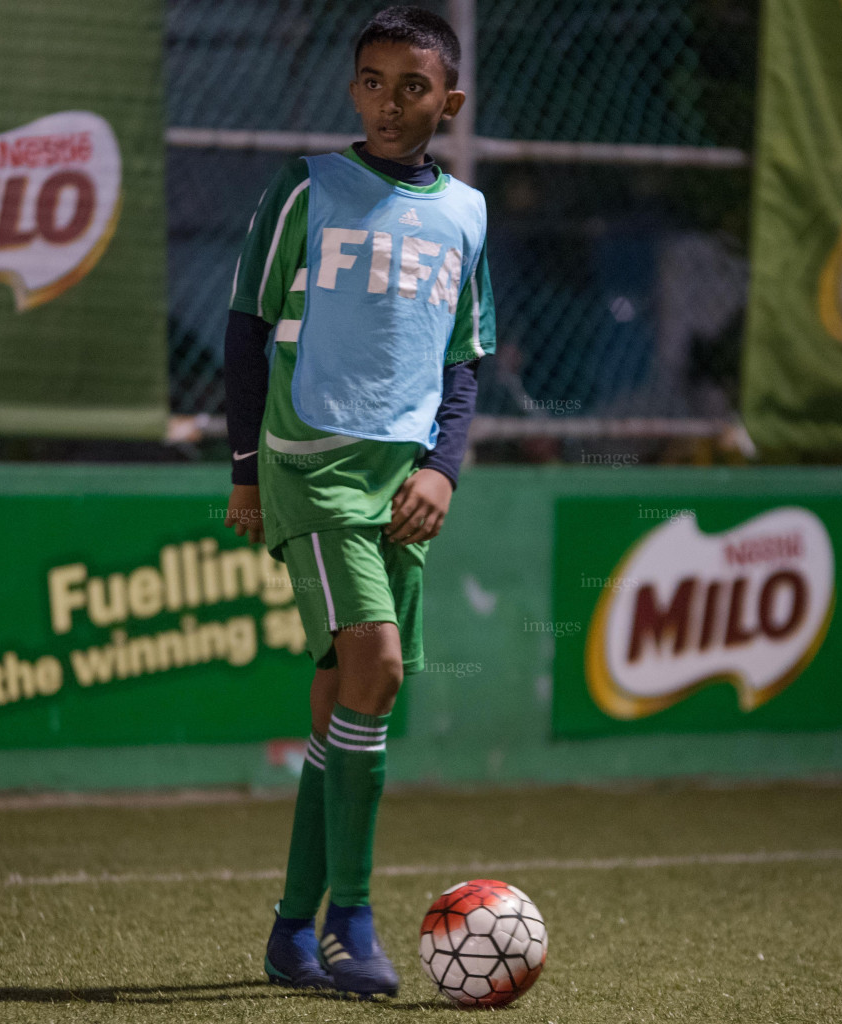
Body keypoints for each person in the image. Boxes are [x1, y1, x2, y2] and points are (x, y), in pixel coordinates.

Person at [221, 5, 495, 999]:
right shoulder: (306, 188)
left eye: (412, 86)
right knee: (374, 670)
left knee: (346, 695)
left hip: (402, 483)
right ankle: (352, 920)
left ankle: (291, 933)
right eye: (372, 82)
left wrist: (442, 469)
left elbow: (465, 360)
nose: (389, 102)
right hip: (315, 464)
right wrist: (246, 469)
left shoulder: (464, 213)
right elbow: (245, 328)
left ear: (448, 101)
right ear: (352, 90)